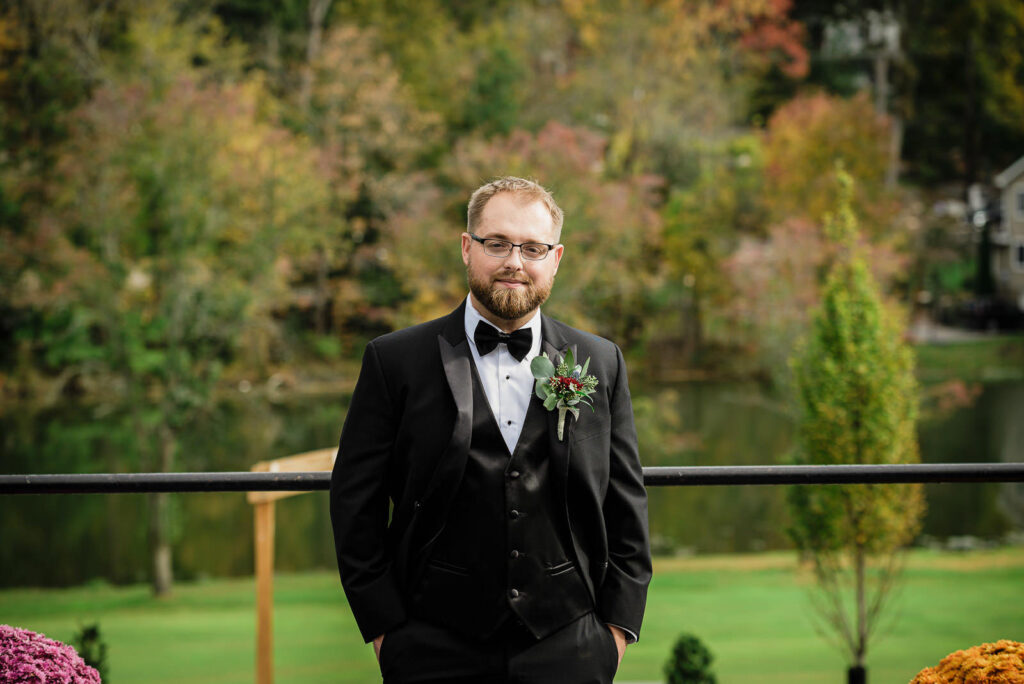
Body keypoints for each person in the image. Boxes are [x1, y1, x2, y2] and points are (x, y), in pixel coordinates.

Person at [330, 177, 651, 683]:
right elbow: (355, 502)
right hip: (430, 645)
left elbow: (626, 503)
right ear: (467, 248)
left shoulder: (601, 361)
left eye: (532, 248)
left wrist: (616, 630)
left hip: (571, 643)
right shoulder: (394, 361)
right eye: (496, 243)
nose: (514, 262)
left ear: (556, 258)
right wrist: (386, 629)